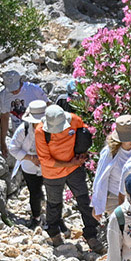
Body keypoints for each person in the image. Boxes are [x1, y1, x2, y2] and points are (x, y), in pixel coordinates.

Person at [28, 104, 101, 248]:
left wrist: (84, 153)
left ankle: (91, 235)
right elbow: (45, 160)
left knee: (84, 201)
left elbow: (85, 134)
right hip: (54, 173)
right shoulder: (41, 132)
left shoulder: (74, 120)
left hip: (74, 169)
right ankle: (54, 234)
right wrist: (70, 163)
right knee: (54, 204)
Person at [90, 114, 131, 222]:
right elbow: (101, 178)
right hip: (115, 196)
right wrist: (97, 205)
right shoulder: (110, 152)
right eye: (128, 138)